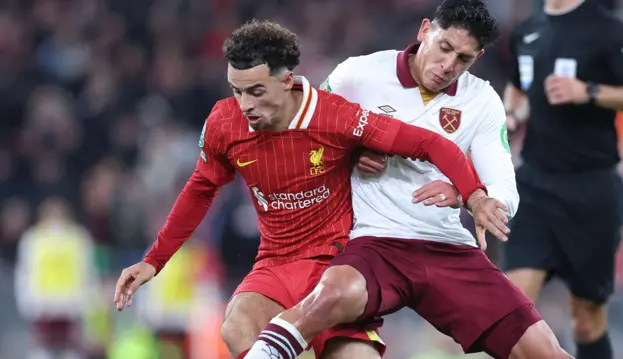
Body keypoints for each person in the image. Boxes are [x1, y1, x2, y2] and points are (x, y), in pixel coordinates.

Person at [112, 19, 507, 359]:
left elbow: (430, 142)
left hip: (337, 263)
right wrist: (154, 260)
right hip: (276, 262)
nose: (244, 104)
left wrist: (474, 194)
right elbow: (201, 188)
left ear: (286, 81)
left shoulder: (335, 116)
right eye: (237, 90)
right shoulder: (223, 123)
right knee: (236, 328)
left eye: (256, 91)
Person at [242, 1, 571, 359]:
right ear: (425, 30)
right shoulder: (358, 74)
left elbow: (503, 184)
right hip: (373, 240)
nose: (449, 66)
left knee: (545, 352)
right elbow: (303, 142)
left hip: (446, 246)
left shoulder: (482, 100)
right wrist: (349, 154)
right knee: (336, 293)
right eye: (445, 48)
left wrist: (475, 196)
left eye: (464, 59)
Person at [502, 0, 623, 358]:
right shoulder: (527, 31)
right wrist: (512, 113)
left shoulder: (607, 30)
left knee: (586, 320)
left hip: (590, 190)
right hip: (534, 186)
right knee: (511, 312)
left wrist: (590, 92)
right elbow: (517, 86)